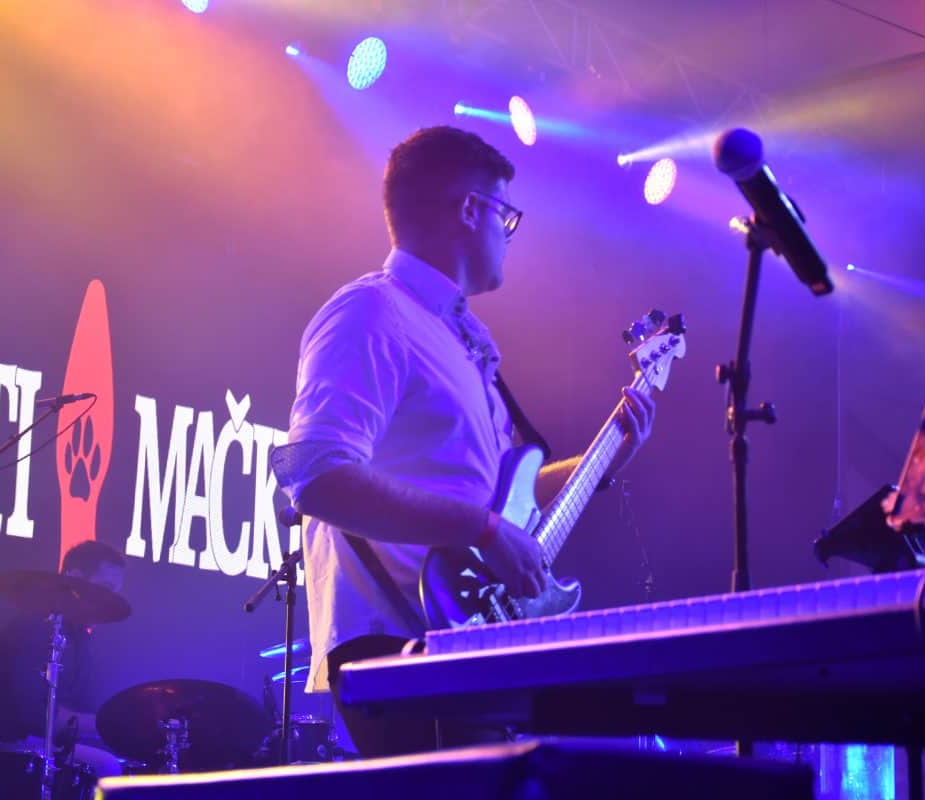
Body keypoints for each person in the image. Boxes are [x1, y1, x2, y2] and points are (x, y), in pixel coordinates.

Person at [270, 126, 656, 757]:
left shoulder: (456, 339)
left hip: (466, 644)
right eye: (507, 215)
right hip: (401, 645)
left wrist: (602, 460)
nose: (509, 235)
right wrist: (483, 529)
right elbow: (317, 475)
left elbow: (498, 499)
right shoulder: (371, 313)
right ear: (471, 209)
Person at [0, 539, 126, 777]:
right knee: (107, 766)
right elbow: (36, 715)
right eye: (106, 588)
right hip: (17, 745)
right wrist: (107, 725)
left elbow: (80, 710)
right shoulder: (36, 627)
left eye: (115, 592)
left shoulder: (80, 637)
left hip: (52, 744)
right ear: (75, 578)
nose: (111, 600)